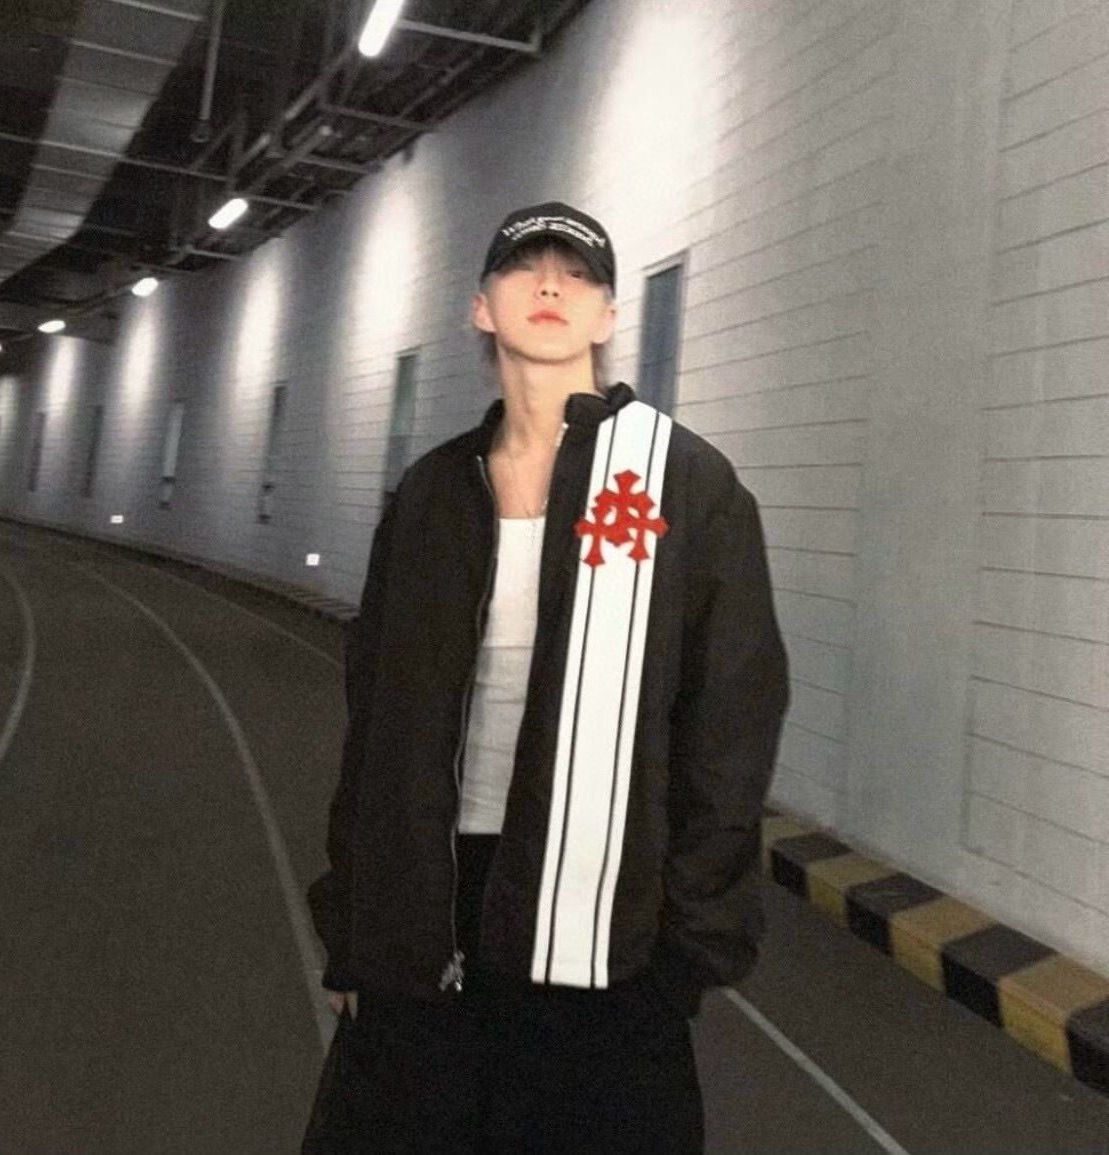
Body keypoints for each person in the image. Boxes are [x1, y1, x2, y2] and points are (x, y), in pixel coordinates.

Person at [303, 201, 789, 1153]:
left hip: (604, 926)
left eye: (580, 272)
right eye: (527, 266)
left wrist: (686, 947)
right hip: (429, 912)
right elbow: (378, 727)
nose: (553, 283)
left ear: (608, 316)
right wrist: (357, 925)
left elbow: (731, 728)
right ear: (482, 307)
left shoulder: (687, 486)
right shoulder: (431, 495)